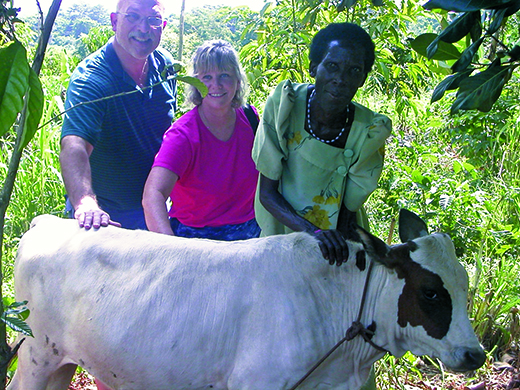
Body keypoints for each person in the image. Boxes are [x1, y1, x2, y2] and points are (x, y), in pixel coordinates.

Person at [253, 22, 392, 266]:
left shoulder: (369, 130)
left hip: (337, 240)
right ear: (313, 67)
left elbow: (348, 213)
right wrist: (314, 233)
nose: (340, 79)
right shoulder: (285, 106)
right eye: (332, 66)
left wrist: (335, 245)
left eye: (353, 71)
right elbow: (267, 193)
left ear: (362, 79)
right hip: (283, 231)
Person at [60, 0, 176, 231]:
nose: (143, 29)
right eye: (133, 16)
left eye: (152, 20)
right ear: (114, 21)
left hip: (155, 210)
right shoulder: (92, 78)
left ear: (162, 26)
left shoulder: (165, 66)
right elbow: (74, 145)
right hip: (106, 219)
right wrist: (85, 203)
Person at [142, 40, 260, 240]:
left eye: (225, 75)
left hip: (251, 233)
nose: (216, 84)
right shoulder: (183, 136)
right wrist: (171, 250)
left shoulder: (250, 118)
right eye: (207, 77)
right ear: (196, 83)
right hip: (198, 238)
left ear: (238, 81)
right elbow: (153, 195)